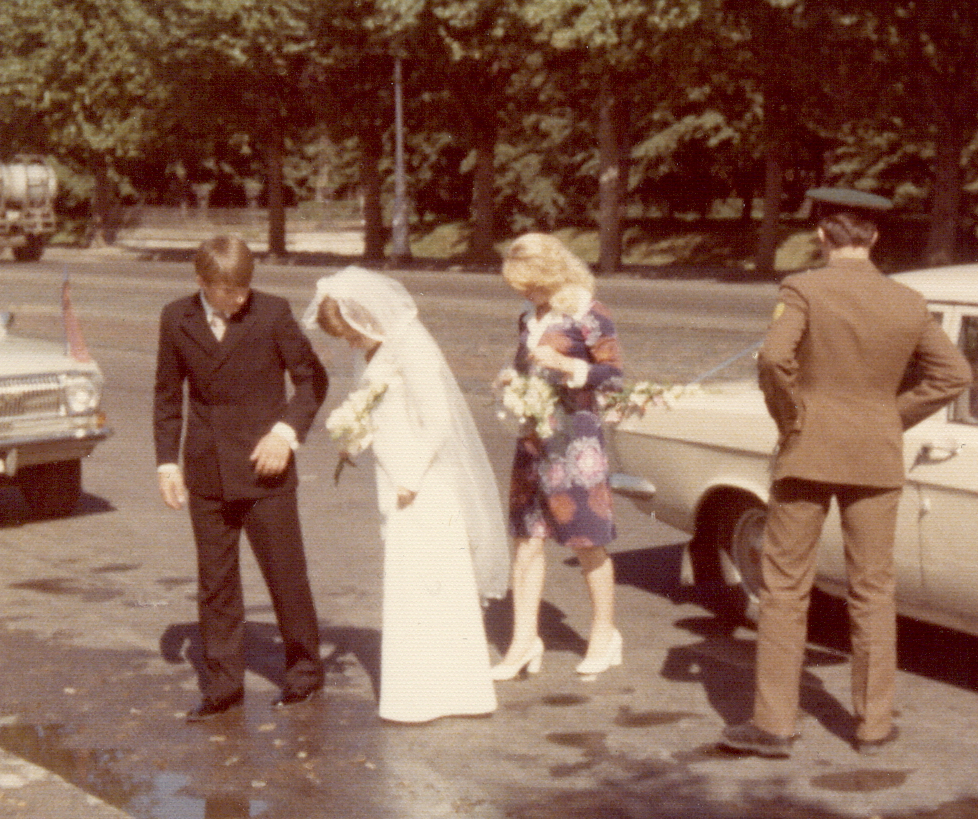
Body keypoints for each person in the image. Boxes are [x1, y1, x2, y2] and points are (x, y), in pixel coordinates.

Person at [719, 190, 972, 758]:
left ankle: (775, 726)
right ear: (875, 237)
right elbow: (954, 373)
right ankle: (874, 726)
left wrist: (793, 419)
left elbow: (772, 358)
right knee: (874, 591)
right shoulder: (907, 300)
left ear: (821, 235)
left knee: (784, 589)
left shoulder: (804, 288)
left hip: (808, 454)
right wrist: (891, 416)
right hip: (875, 457)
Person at [303, 267, 508, 723]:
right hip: (391, 476)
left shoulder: (410, 346)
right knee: (410, 582)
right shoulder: (371, 350)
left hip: (423, 480)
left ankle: (449, 692)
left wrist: (412, 477)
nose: (350, 345)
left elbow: (437, 419)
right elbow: (374, 405)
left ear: (368, 317)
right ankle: (422, 689)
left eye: (351, 334)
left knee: (432, 581)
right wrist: (355, 435)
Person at [154, 235, 329, 721]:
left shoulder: (272, 313)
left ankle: (304, 676)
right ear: (201, 283)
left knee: (285, 576)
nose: (239, 298)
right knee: (215, 583)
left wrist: (285, 434)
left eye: (245, 288)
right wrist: (167, 463)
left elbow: (313, 379)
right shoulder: (175, 318)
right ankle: (223, 687)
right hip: (207, 470)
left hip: (265, 466)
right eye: (228, 290)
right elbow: (167, 396)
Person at [493, 233, 625, 680]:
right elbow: (526, 367)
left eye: (531, 284)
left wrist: (569, 366)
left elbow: (614, 377)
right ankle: (523, 641)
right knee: (527, 541)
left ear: (552, 274)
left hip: (574, 442)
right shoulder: (529, 317)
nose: (526, 294)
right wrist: (511, 378)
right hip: (533, 439)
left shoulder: (589, 313)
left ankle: (604, 633)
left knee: (586, 539)